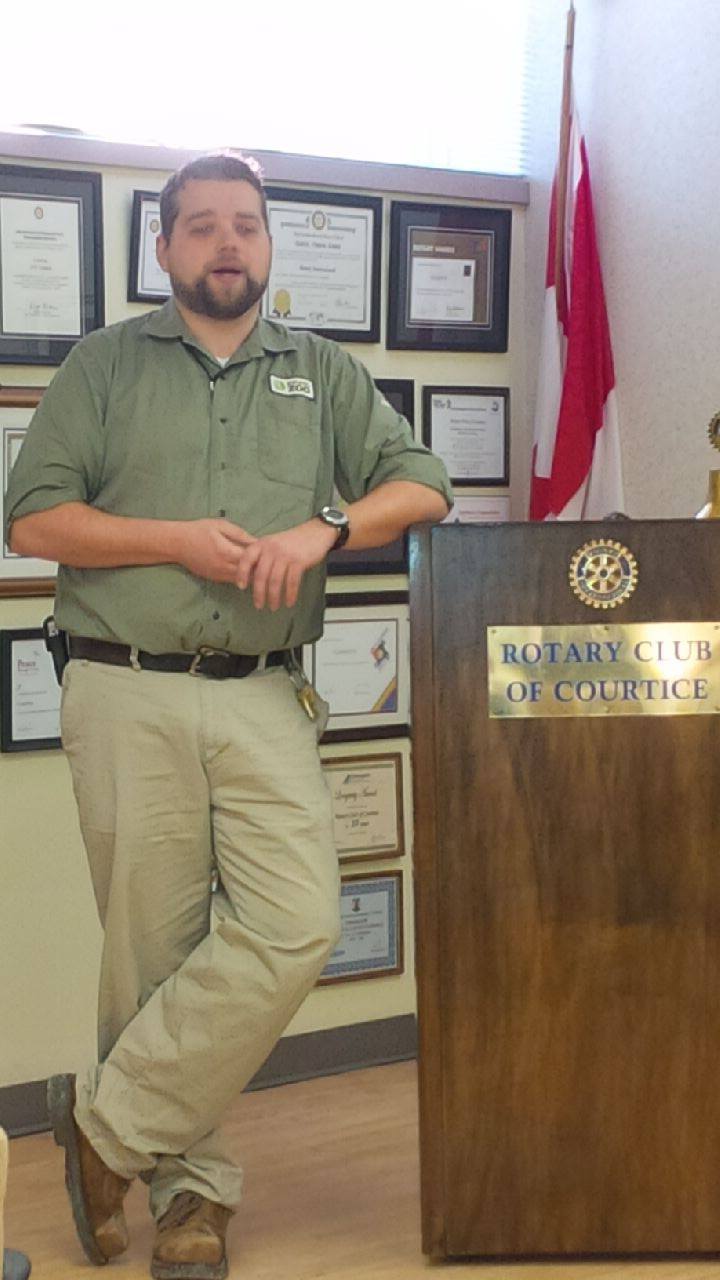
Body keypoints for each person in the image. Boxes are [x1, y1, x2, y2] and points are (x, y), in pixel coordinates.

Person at [5, 152, 452, 1280]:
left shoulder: (320, 369)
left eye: (245, 224)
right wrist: (175, 540)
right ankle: (190, 1198)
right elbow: (34, 519)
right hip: (126, 684)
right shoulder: (105, 364)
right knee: (152, 951)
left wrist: (325, 529)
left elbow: (425, 484)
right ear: (163, 247)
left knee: (297, 921)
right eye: (201, 225)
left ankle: (104, 1129)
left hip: (263, 689)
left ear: (267, 244)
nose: (226, 243)